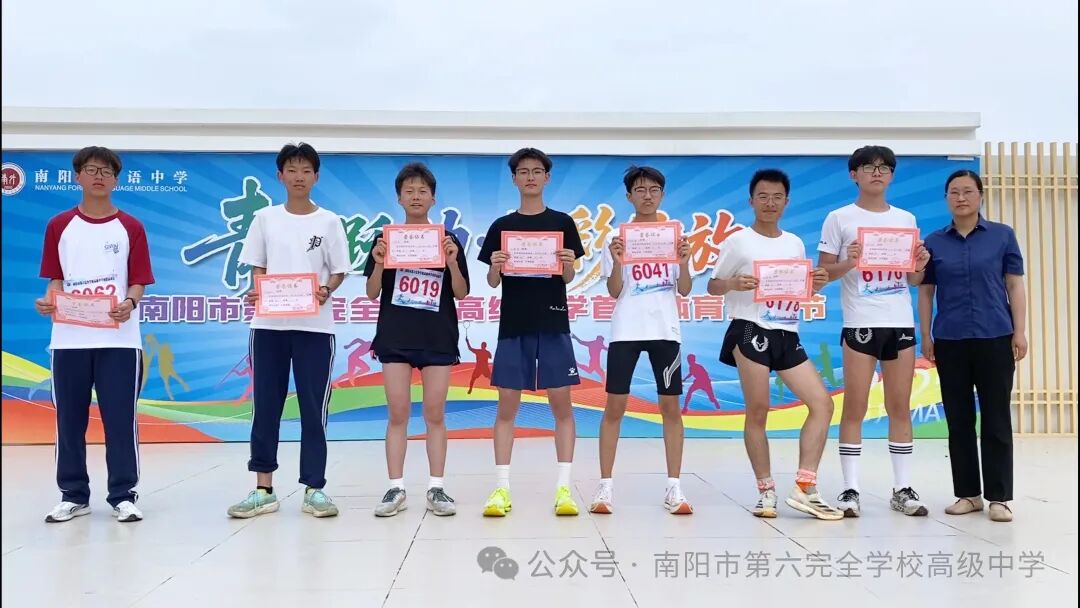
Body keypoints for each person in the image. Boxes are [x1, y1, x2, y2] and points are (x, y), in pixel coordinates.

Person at [708, 169, 843, 521]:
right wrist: (733, 283)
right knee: (758, 411)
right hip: (749, 329)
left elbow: (796, 289)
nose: (770, 203)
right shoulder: (739, 241)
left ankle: (805, 486)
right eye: (763, 197)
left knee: (822, 404)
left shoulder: (794, 243)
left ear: (786, 201)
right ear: (751, 201)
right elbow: (713, 285)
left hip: (786, 332)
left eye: (777, 197)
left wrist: (818, 281)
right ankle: (765, 491)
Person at [226, 143, 351, 519]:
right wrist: (259, 290)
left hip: (315, 328)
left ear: (316, 177)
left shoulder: (329, 221)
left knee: (314, 408)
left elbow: (339, 270)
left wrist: (326, 289)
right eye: (292, 170)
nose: (299, 177)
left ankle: (314, 488)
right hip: (268, 327)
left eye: (306, 170)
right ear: (280, 176)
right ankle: (263, 488)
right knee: (266, 405)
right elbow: (258, 266)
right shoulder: (265, 218)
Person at [35, 146, 155, 523]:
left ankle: (123, 495)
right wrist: (50, 300)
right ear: (78, 177)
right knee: (69, 421)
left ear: (116, 180)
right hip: (69, 339)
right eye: (91, 170)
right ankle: (73, 495)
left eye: (106, 171)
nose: (98, 176)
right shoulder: (59, 225)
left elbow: (138, 281)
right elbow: (56, 278)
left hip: (119, 340)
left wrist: (130, 303)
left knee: (120, 420)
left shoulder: (131, 227)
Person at [817, 145, 932, 517]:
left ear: (892, 175)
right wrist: (849, 261)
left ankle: (902, 489)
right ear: (854, 174)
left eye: (884, 167)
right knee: (855, 406)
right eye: (868, 167)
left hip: (899, 323)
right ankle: (850, 489)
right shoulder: (839, 218)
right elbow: (822, 274)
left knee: (899, 406)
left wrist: (920, 263)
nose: (877, 172)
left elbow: (913, 280)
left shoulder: (905, 218)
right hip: (860, 323)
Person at [477, 147, 585, 517]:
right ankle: (501, 489)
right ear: (514, 179)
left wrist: (568, 265)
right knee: (507, 407)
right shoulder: (501, 226)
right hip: (514, 325)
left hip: (553, 323)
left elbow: (567, 277)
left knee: (562, 406)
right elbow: (492, 282)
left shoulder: (562, 223)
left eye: (537, 171)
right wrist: (495, 266)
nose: (530, 177)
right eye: (523, 172)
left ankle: (564, 489)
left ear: (547, 177)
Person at [918, 169, 1027, 523]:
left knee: (996, 418)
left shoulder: (1002, 236)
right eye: (954, 192)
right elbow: (926, 291)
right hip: (950, 339)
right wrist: (926, 335)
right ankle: (968, 494)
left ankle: (999, 498)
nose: (961, 197)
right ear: (946, 198)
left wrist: (1020, 332)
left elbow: (1014, 285)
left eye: (967, 191)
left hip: (995, 336)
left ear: (980, 195)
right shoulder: (934, 242)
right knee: (959, 419)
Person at [365, 162, 470, 518]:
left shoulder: (447, 240)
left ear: (433, 198)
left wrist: (452, 262)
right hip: (395, 335)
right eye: (408, 191)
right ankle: (395, 487)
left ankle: (436, 488)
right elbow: (371, 292)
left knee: (434, 414)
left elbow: (462, 292)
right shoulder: (385, 240)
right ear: (399, 198)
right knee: (397, 413)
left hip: (437, 336)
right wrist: (380, 263)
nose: (415, 196)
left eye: (422, 191)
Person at [589, 165, 694, 516]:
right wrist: (619, 261)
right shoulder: (616, 237)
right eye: (640, 190)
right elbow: (614, 290)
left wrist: (684, 261)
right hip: (626, 332)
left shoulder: (674, 234)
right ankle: (605, 487)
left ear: (662, 194)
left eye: (653, 190)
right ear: (629, 196)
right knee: (614, 407)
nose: (647, 196)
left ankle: (674, 487)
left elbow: (684, 288)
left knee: (670, 408)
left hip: (665, 331)